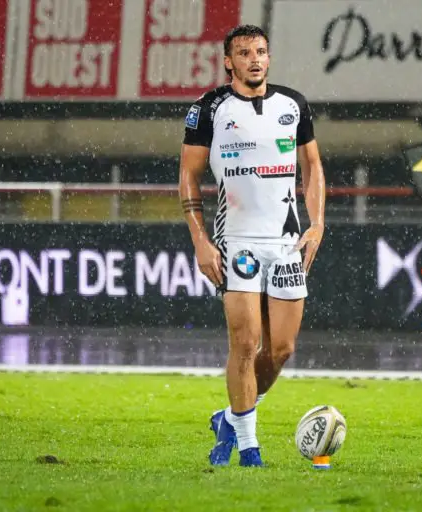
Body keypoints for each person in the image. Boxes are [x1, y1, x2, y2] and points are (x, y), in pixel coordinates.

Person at [178, 24, 326, 467]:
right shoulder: (208, 108)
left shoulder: (293, 104)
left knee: (280, 350)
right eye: (244, 53)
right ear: (228, 62)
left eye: (260, 51)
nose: (255, 59)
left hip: (285, 243)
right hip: (236, 241)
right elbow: (188, 176)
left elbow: (312, 166)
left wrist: (317, 223)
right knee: (245, 343)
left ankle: (228, 418)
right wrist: (201, 241)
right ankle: (249, 448)